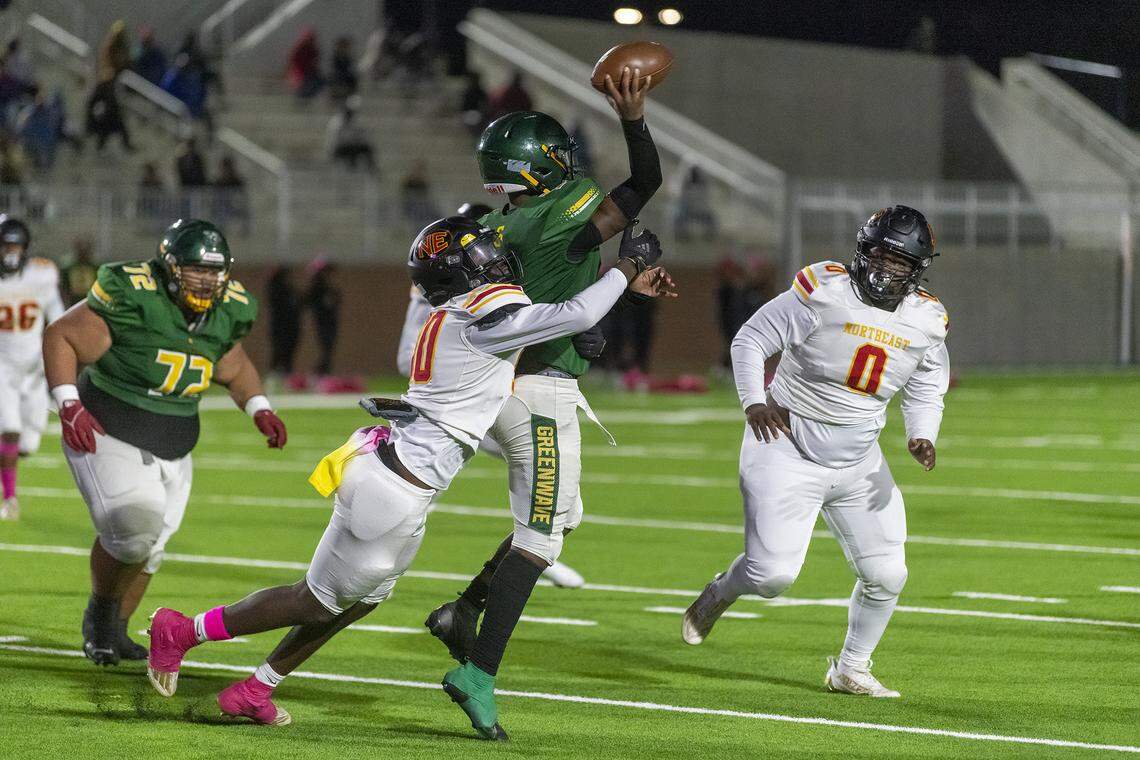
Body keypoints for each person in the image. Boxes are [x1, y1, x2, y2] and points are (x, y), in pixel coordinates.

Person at [143, 215, 674, 729]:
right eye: (482, 256)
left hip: (403, 483)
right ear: (460, 273)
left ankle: (256, 689)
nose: (496, 261)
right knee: (314, 601)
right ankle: (183, 631)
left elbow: (551, 323)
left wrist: (609, 303)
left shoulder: (461, 314)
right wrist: (625, 268)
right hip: (394, 490)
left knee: (361, 602)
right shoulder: (479, 318)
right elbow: (572, 313)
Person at [422, 66, 662, 737]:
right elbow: (642, 184)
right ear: (536, 165)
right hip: (538, 393)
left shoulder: (503, 226)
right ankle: (479, 672)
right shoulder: (559, 210)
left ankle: (466, 609)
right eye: (555, 155)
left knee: (563, 514)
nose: (567, 163)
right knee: (541, 535)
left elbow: (557, 279)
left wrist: (603, 300)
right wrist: (633, 119)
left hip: (511, 384)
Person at [681, 206, 950, 698]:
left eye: (899, 262)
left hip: (859, 459)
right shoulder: (824, 292)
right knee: (771, 576)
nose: (886, 269)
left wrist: (922, 432)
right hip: (785, 444)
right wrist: (754, 401)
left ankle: (852, 668)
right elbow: (750, 339)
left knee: (888, 573)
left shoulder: (925, 319)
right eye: (881, 256)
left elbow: (928, 382)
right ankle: (721, 591)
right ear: (862, 251)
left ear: (917, 270)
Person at [42, 219, 287, 666]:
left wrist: (258, 407)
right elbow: (62, 334)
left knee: (151, 548)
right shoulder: (136, 294)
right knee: (134, 532)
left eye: (214, 271)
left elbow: (231, 363)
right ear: (169, 267)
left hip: (174, 436)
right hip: (108, 423)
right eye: (195, 269)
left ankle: (116, 629)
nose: (206, 280)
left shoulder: (230, 308)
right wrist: (68, 403)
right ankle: (100, 616)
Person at [395, 201, 585, 589]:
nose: (491, 258)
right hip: (465, 407)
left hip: (496, 403)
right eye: (480, 250)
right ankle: (526, 554)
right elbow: (408, 359)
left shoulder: (488, 287)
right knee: (420, 487)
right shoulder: (450, 300)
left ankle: (530, 552)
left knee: (562, 502)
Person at [0, 216, 64, 520]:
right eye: (5, 246)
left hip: (34, 369)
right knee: (10, 430)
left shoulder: (41, 275)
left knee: (26, 446)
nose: (10, 252)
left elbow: (58, 316)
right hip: (2, 366)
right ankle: (10, 499)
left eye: (16, 246)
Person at [305, 258, 340, 375]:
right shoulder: (317, 288)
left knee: (328, 349)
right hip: (322, 322)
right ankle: (319, 372)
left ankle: (323, 371)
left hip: (329, 322)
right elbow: (308, 302)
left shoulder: (328, 289)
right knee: (325, 349)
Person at [266, 265, 301, 376]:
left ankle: (286, 373)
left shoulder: (290, 291)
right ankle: (275, 374)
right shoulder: (276, 290)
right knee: (279, 351)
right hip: (280, 327)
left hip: (291, 326)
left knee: (288, 354)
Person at [325, 104, 376, 172]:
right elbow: (338, 141)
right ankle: (351, 168)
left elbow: (361, 136)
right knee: (352, 148)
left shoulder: (353, 122)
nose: (351, 116)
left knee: (366, 148)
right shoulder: (337, 123)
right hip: (338, 148)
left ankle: (371, 170)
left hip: (349, 146)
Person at [60, 235, 98, 307]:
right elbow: (64, 287)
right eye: (81, 250)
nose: (83, 253)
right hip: (73, 302)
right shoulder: (68, 269)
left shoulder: (96, 268)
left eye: (85, 250)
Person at [286, 28, 323, 100]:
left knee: (319, 82)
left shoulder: (313, 49)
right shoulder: (300, 49)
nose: (311, 41)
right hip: (300, 74)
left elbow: (315, 62)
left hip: (310, 74)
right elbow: (293, 61)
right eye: (309, 39)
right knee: (305, 85)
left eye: (312, 39)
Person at [328, 36, 358, 101]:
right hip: (338, 78)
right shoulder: (335, 57)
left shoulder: (348, 58)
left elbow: (350, 68)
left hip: (346, 79)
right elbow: (334, 69)